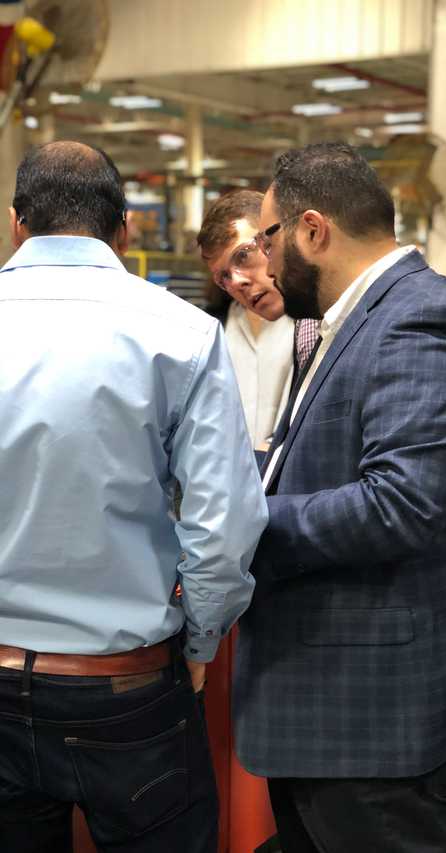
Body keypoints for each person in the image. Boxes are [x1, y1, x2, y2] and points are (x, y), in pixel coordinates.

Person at [232, 142, 446, 853]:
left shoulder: (421, 320)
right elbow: (326, 457)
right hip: (333, 702)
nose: (261, 261)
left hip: (375, 714)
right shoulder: (354, 319)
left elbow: (399, 504)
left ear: (312, 230)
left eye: (266, 239)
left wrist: (240, 517)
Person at [0, 141, 267, 853]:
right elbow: (223, 525)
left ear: (17, 224)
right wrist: (200, 641)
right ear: (124, 229)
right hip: (125, 689)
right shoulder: (183, 333)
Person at [198, 191, 318, 451]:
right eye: (223, 277)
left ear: (274, 241)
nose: (236, 281)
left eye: (243, 256)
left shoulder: (319, 325)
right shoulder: (212, 329)